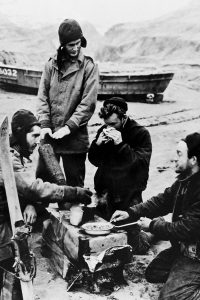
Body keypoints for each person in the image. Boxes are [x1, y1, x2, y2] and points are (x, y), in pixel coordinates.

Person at [0, 109, 92, 299]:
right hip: (1, 218)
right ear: (19, 133)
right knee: (8, 264)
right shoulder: (6, 156)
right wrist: (74, 192)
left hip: (8, 211)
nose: (37, 140)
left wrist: (32, 203)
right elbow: (33, 187)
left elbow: (27, 187)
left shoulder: (22, 150)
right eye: (33, 135)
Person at [111, 132, 200, 300]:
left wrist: (152, 226)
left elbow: (186, 228)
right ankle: (183, 274)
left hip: (197, 255)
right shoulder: (185, 180)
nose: (174, 158)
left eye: (179, 154)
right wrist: (131, 212)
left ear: (193, 160)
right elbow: (162, 201)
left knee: (168, 297)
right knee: (153, 272)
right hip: (184, 248)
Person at [37, 18, 99, 188]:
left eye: (78, 43)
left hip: (74, 139)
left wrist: (69, 127)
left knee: (74, 189)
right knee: (43, 185)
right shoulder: (50, 65)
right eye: (71, 45)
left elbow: (88, 103)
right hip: (49, 138)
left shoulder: (88, 67)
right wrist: (44, 124)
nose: (76, 48)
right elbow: (42, 96)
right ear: (63, 45)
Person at [88, 97, 152, 253]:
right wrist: (97, 145)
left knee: (135, 246)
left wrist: (121, 145)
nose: (108, 128)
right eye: (106, 124)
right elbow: (94, 160)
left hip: (129, 195)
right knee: (101, 236)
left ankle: (152, 231)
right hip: (106, 193)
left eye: (113, 124)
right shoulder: (104, 129)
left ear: (124, 118)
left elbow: (141, 166)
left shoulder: (141, 133)